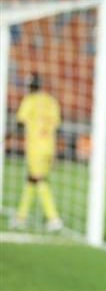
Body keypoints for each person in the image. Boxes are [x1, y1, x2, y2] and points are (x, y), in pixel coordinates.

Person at [11, 73, 63, 231]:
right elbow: (57, 125)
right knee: (31, 179)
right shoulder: (51, 101)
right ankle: (21, 216)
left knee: (39, 180)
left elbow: (20, 122)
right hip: (49, 146)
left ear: (30, 86)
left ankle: (54, 218)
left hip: (35, 147)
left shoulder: (29, 100)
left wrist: (8, 136)